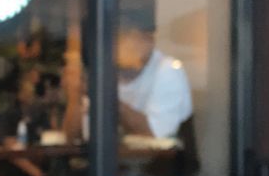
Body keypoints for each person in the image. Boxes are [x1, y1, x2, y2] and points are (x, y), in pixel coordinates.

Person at [63, 16, 193, 143]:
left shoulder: (168, 70)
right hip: (114, 162)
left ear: (147, 40)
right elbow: (74, 137)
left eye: (125, 36)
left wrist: (102, 94)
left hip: (158, 163)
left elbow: (156, 134)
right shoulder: (104, 72)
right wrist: (75, 97)